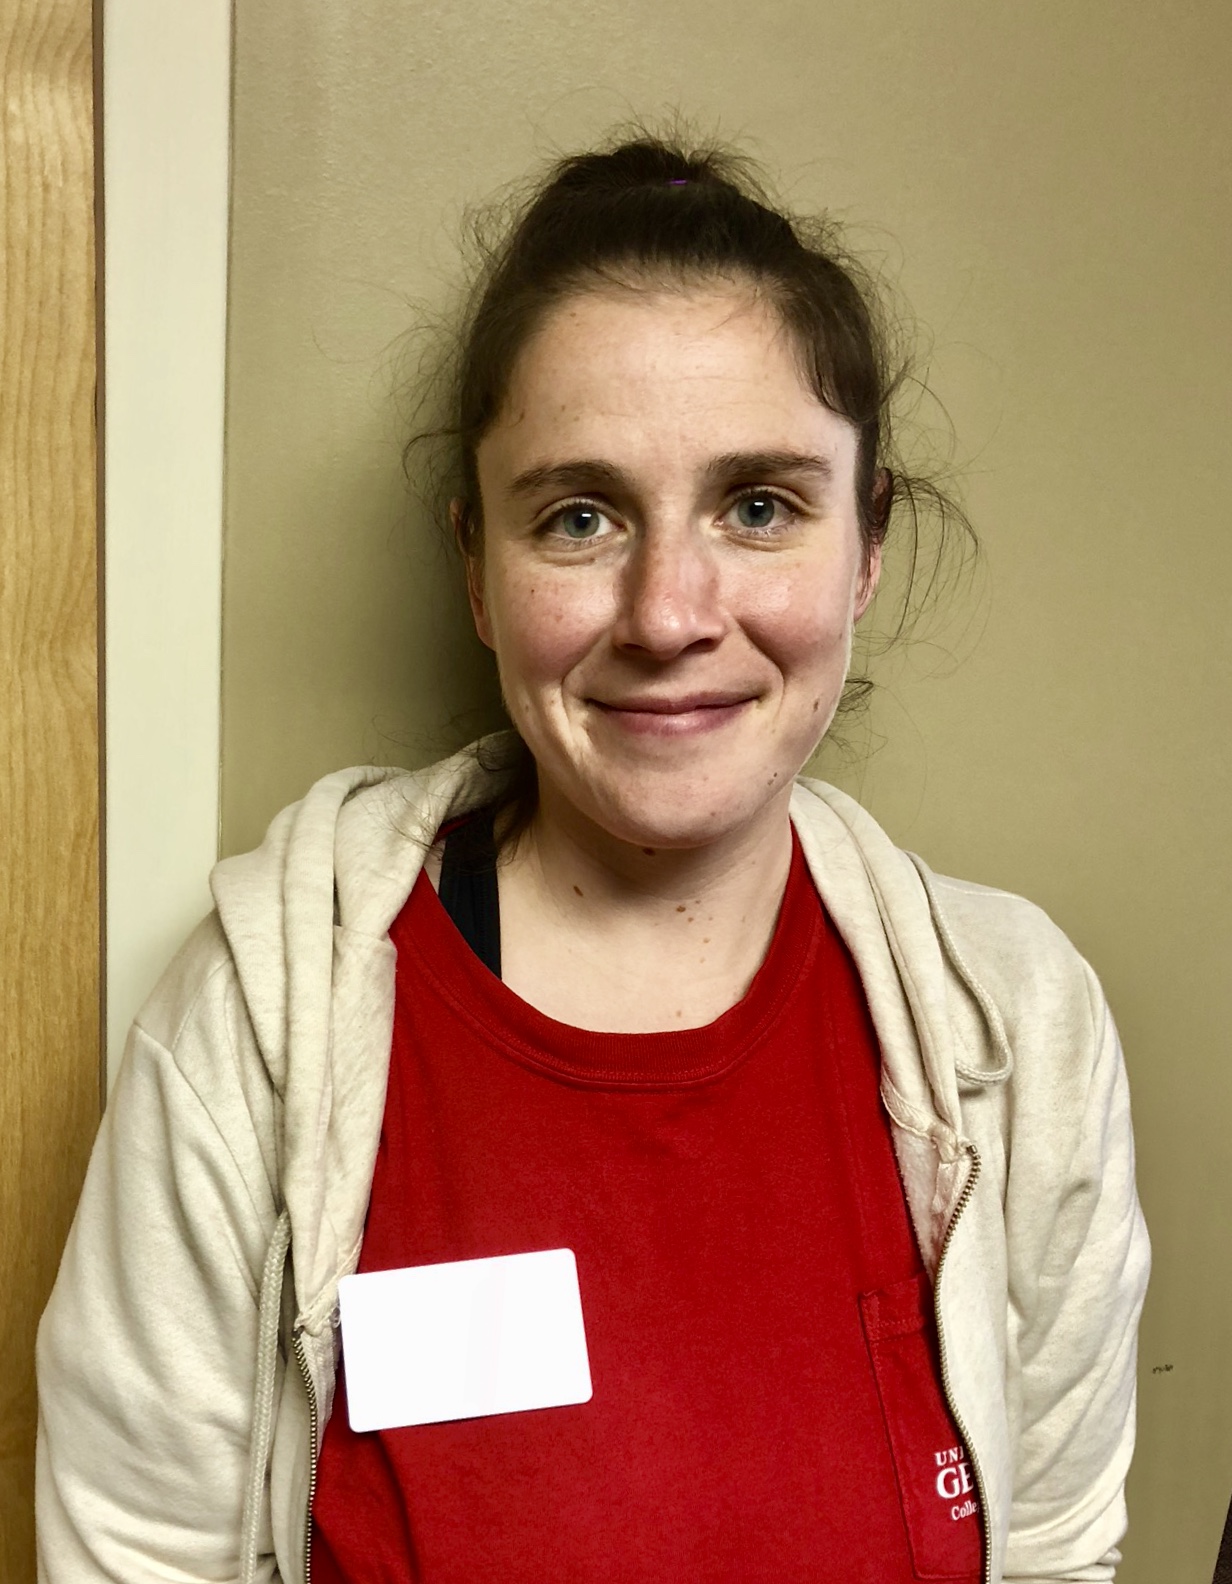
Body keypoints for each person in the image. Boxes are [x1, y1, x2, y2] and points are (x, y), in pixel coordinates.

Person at [36, 131, 1149, 1584]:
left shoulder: (1022, 1034)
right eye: (579, 517)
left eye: (759, 506)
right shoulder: (260, 1030)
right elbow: (137, 1554)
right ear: (478, 571)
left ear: (867, 546)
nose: (668, 612)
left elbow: (1054, 1548)